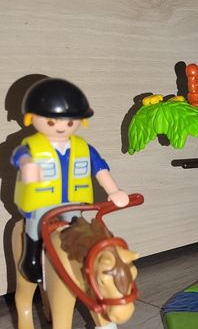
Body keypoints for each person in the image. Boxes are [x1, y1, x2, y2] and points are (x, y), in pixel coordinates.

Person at [12, 78, 129, 283]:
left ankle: (81, 264)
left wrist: (113, 190)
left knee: (78, 227)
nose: (61, 128)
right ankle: (31, 260)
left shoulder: (83, 148)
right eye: (51, 122)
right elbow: (19, 157)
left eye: (69, 122)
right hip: (41, 201)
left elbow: (100, 168)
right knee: (35, 225)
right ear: (31, 118)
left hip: (73, 202)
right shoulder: (32, 146)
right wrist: (26, 164)